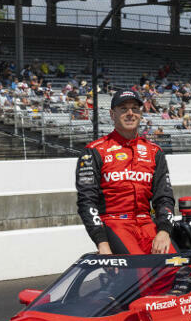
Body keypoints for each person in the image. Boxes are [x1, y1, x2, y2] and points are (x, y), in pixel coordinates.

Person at [75, 89, 176, 255]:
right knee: (142, 273)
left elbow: (164, 197)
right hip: (115, 224)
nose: (130, 113)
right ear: (112, 114)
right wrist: (102, 243)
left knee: (179, 270)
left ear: (140, 114)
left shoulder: (154, 152)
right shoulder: (94, 151)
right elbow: (87, 201)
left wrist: (164, 231)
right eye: (123, 109)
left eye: (135, 109)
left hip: (147, 224)